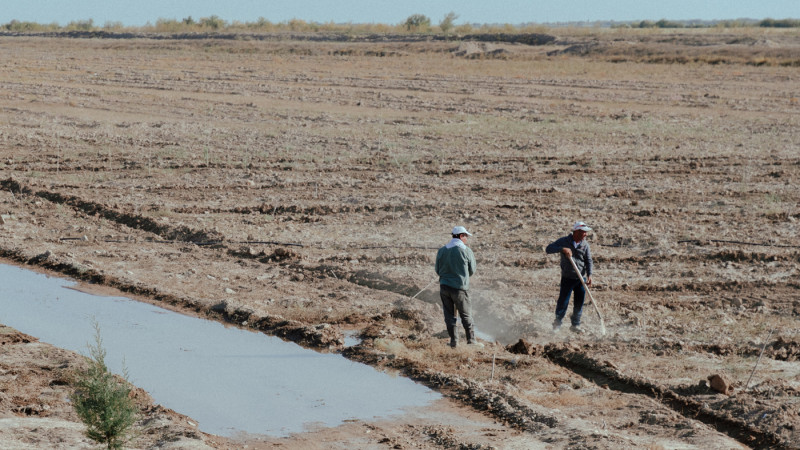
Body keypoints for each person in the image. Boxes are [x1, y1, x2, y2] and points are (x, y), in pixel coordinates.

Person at [435, 226, 483, 348]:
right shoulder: (466, 251)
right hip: (460, 288)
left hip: (444, 287)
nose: (467, 238)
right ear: (461, 236)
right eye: (466, 236)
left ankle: (454, 342)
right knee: (466, 314)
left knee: (449, 316)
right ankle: (471, 341)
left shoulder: (442, 250)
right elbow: (472, 270)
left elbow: (437, 270)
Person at [545, 221, 594, 333]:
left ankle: (575, 325)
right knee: (563, 302)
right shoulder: (564, 241)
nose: (585, 235)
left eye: (586, 233)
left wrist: (590, 274)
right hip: (567, 278)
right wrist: (562, 249)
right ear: (576, 232)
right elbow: (548, 249)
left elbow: (588, 261)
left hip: (581, 279)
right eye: (583, 232)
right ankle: (557, 324)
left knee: (579, 303)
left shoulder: (585, 245)